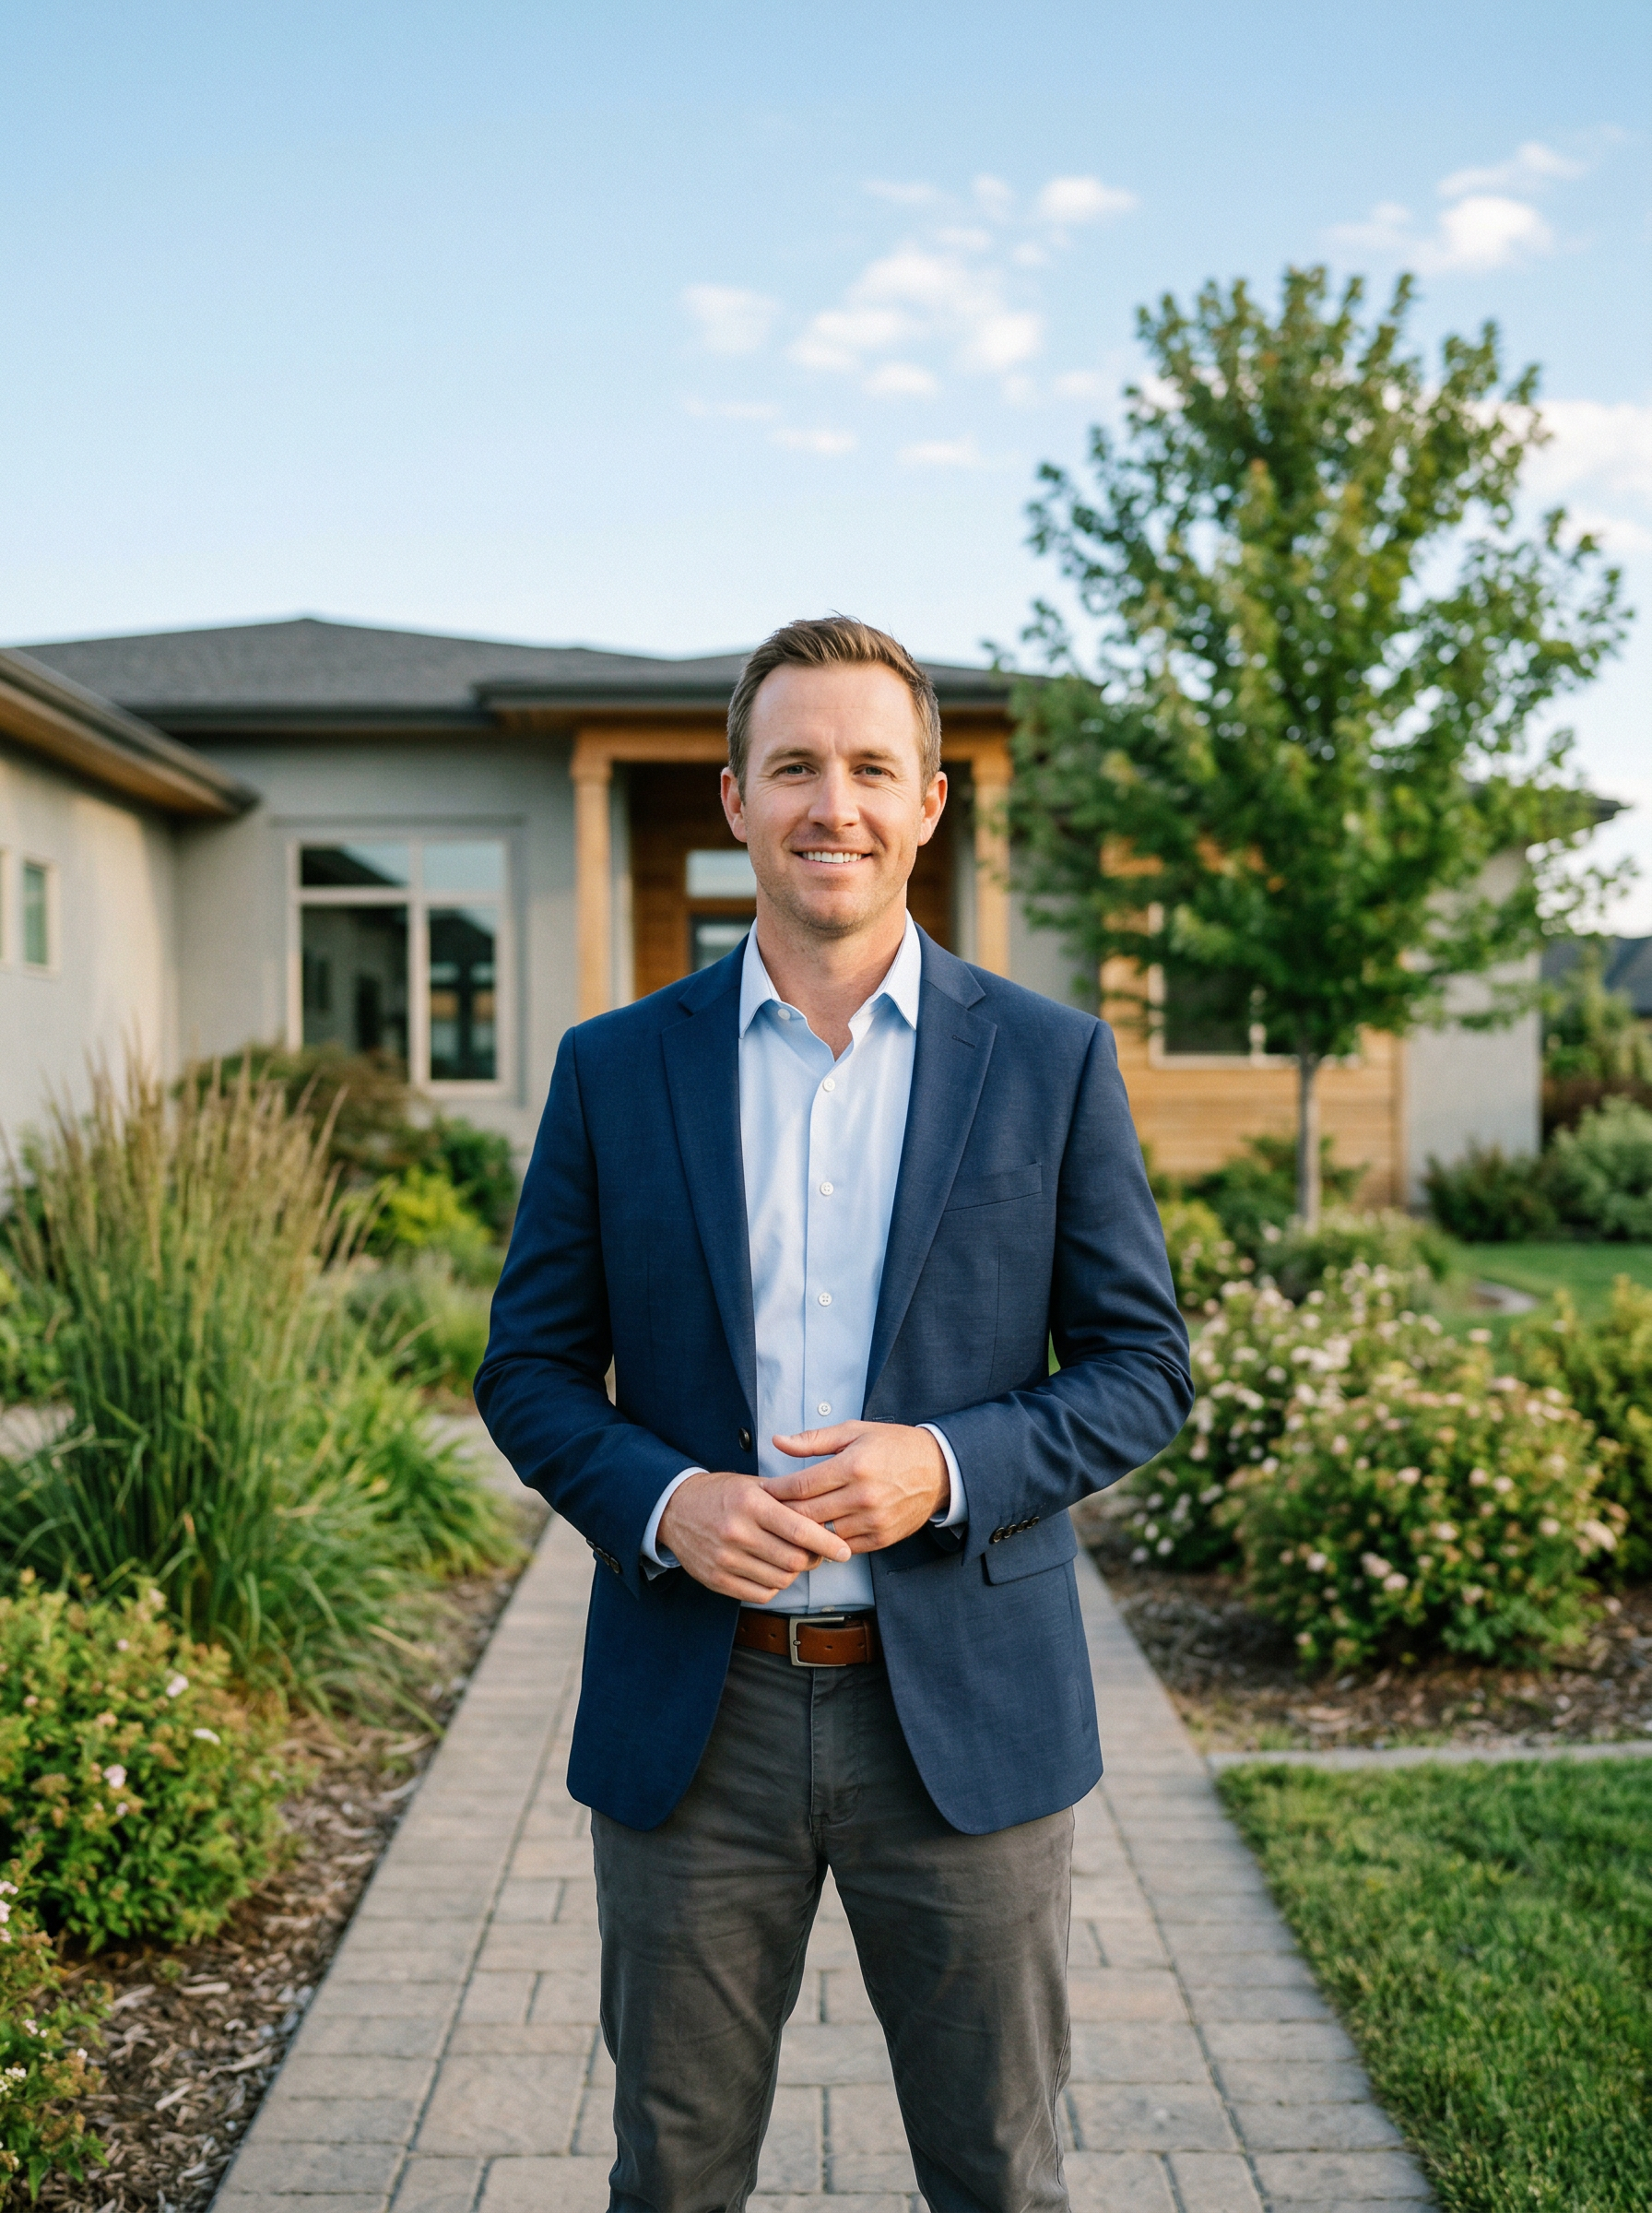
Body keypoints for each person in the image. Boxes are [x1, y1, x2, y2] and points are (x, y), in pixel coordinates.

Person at [476, 615, 1192, 2213]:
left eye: (874, 767)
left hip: (964, 1727)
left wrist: (942, 1467)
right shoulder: (611, 1072)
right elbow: (525, 1370)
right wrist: (666, 1501)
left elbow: (1145, 1366)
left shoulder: (1052, 1064)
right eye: (794, 765)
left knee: (1001, 2175)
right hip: (695, 1720)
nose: (834, 805)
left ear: (932, 802)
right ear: (733, 797)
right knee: (671, 2177)